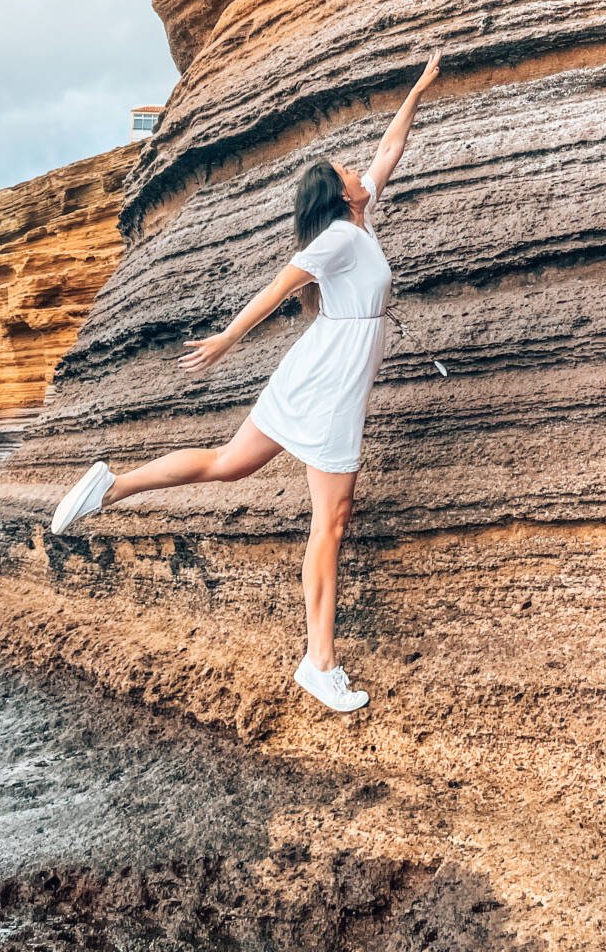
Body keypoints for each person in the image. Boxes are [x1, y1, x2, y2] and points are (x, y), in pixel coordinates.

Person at [51, 50, 442, 715]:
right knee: (330, 521)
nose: (359, 169)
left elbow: (390, 148)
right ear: (339, 195)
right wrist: (231, 337)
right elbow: (284, 282)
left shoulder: (360, 218)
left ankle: (112, 486)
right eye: (349, 172)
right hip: (329, 383)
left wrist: (419, 87)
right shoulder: (338, 242)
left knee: (229, 465)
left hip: (321, 370)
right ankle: (319, 663)